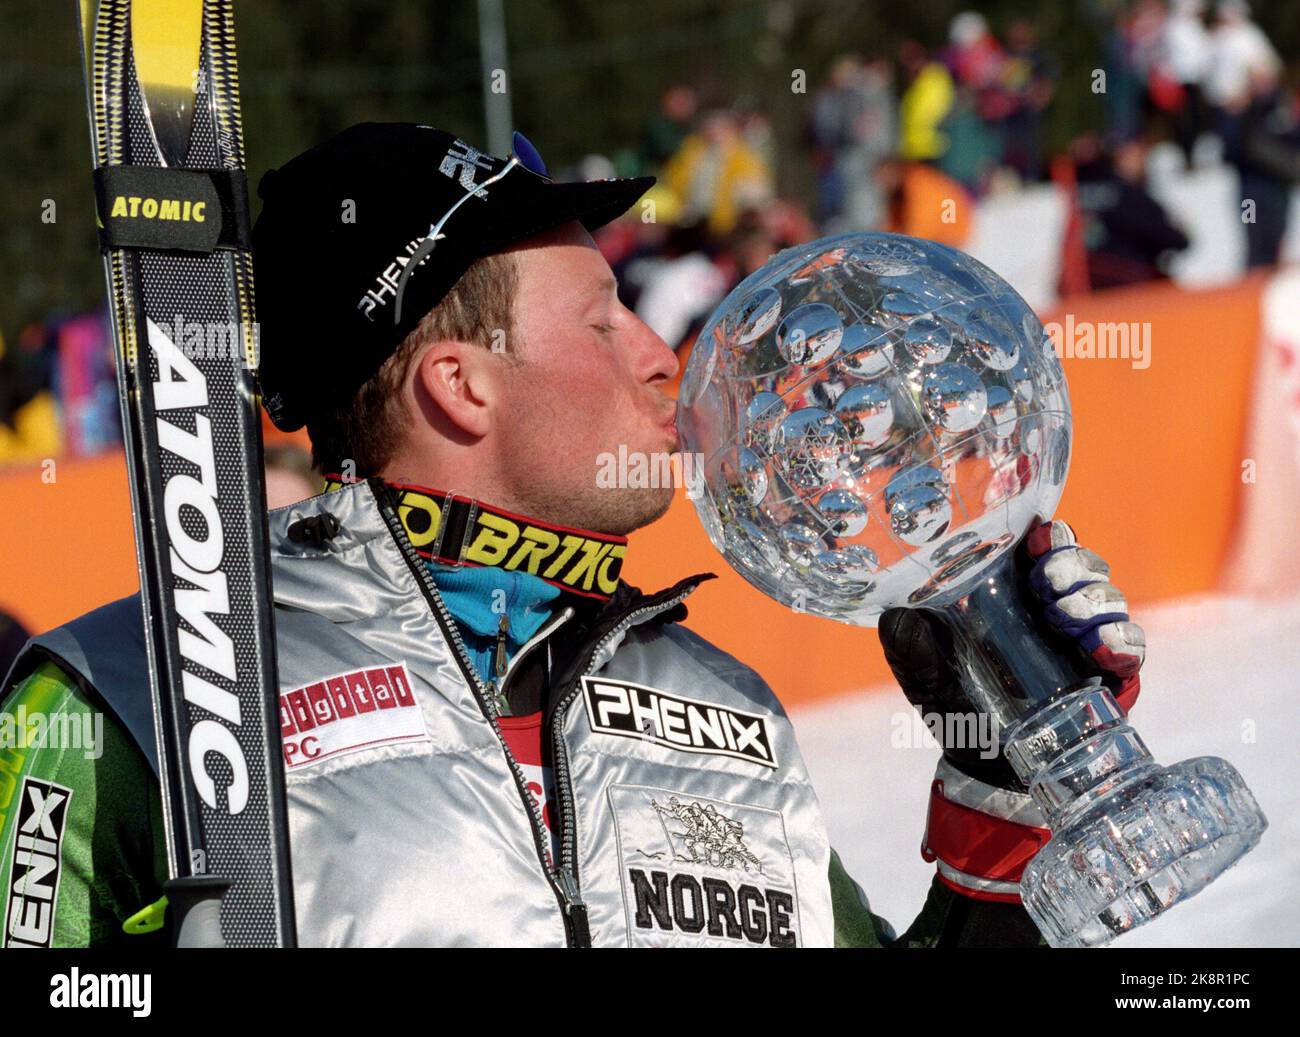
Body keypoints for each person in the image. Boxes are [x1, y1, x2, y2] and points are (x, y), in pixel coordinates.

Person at [0, 124, 1145, 947]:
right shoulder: (127, 698)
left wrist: (1001, 810)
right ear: (461, 387)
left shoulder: (725, 712)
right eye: (604, 320)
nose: (662, 356)